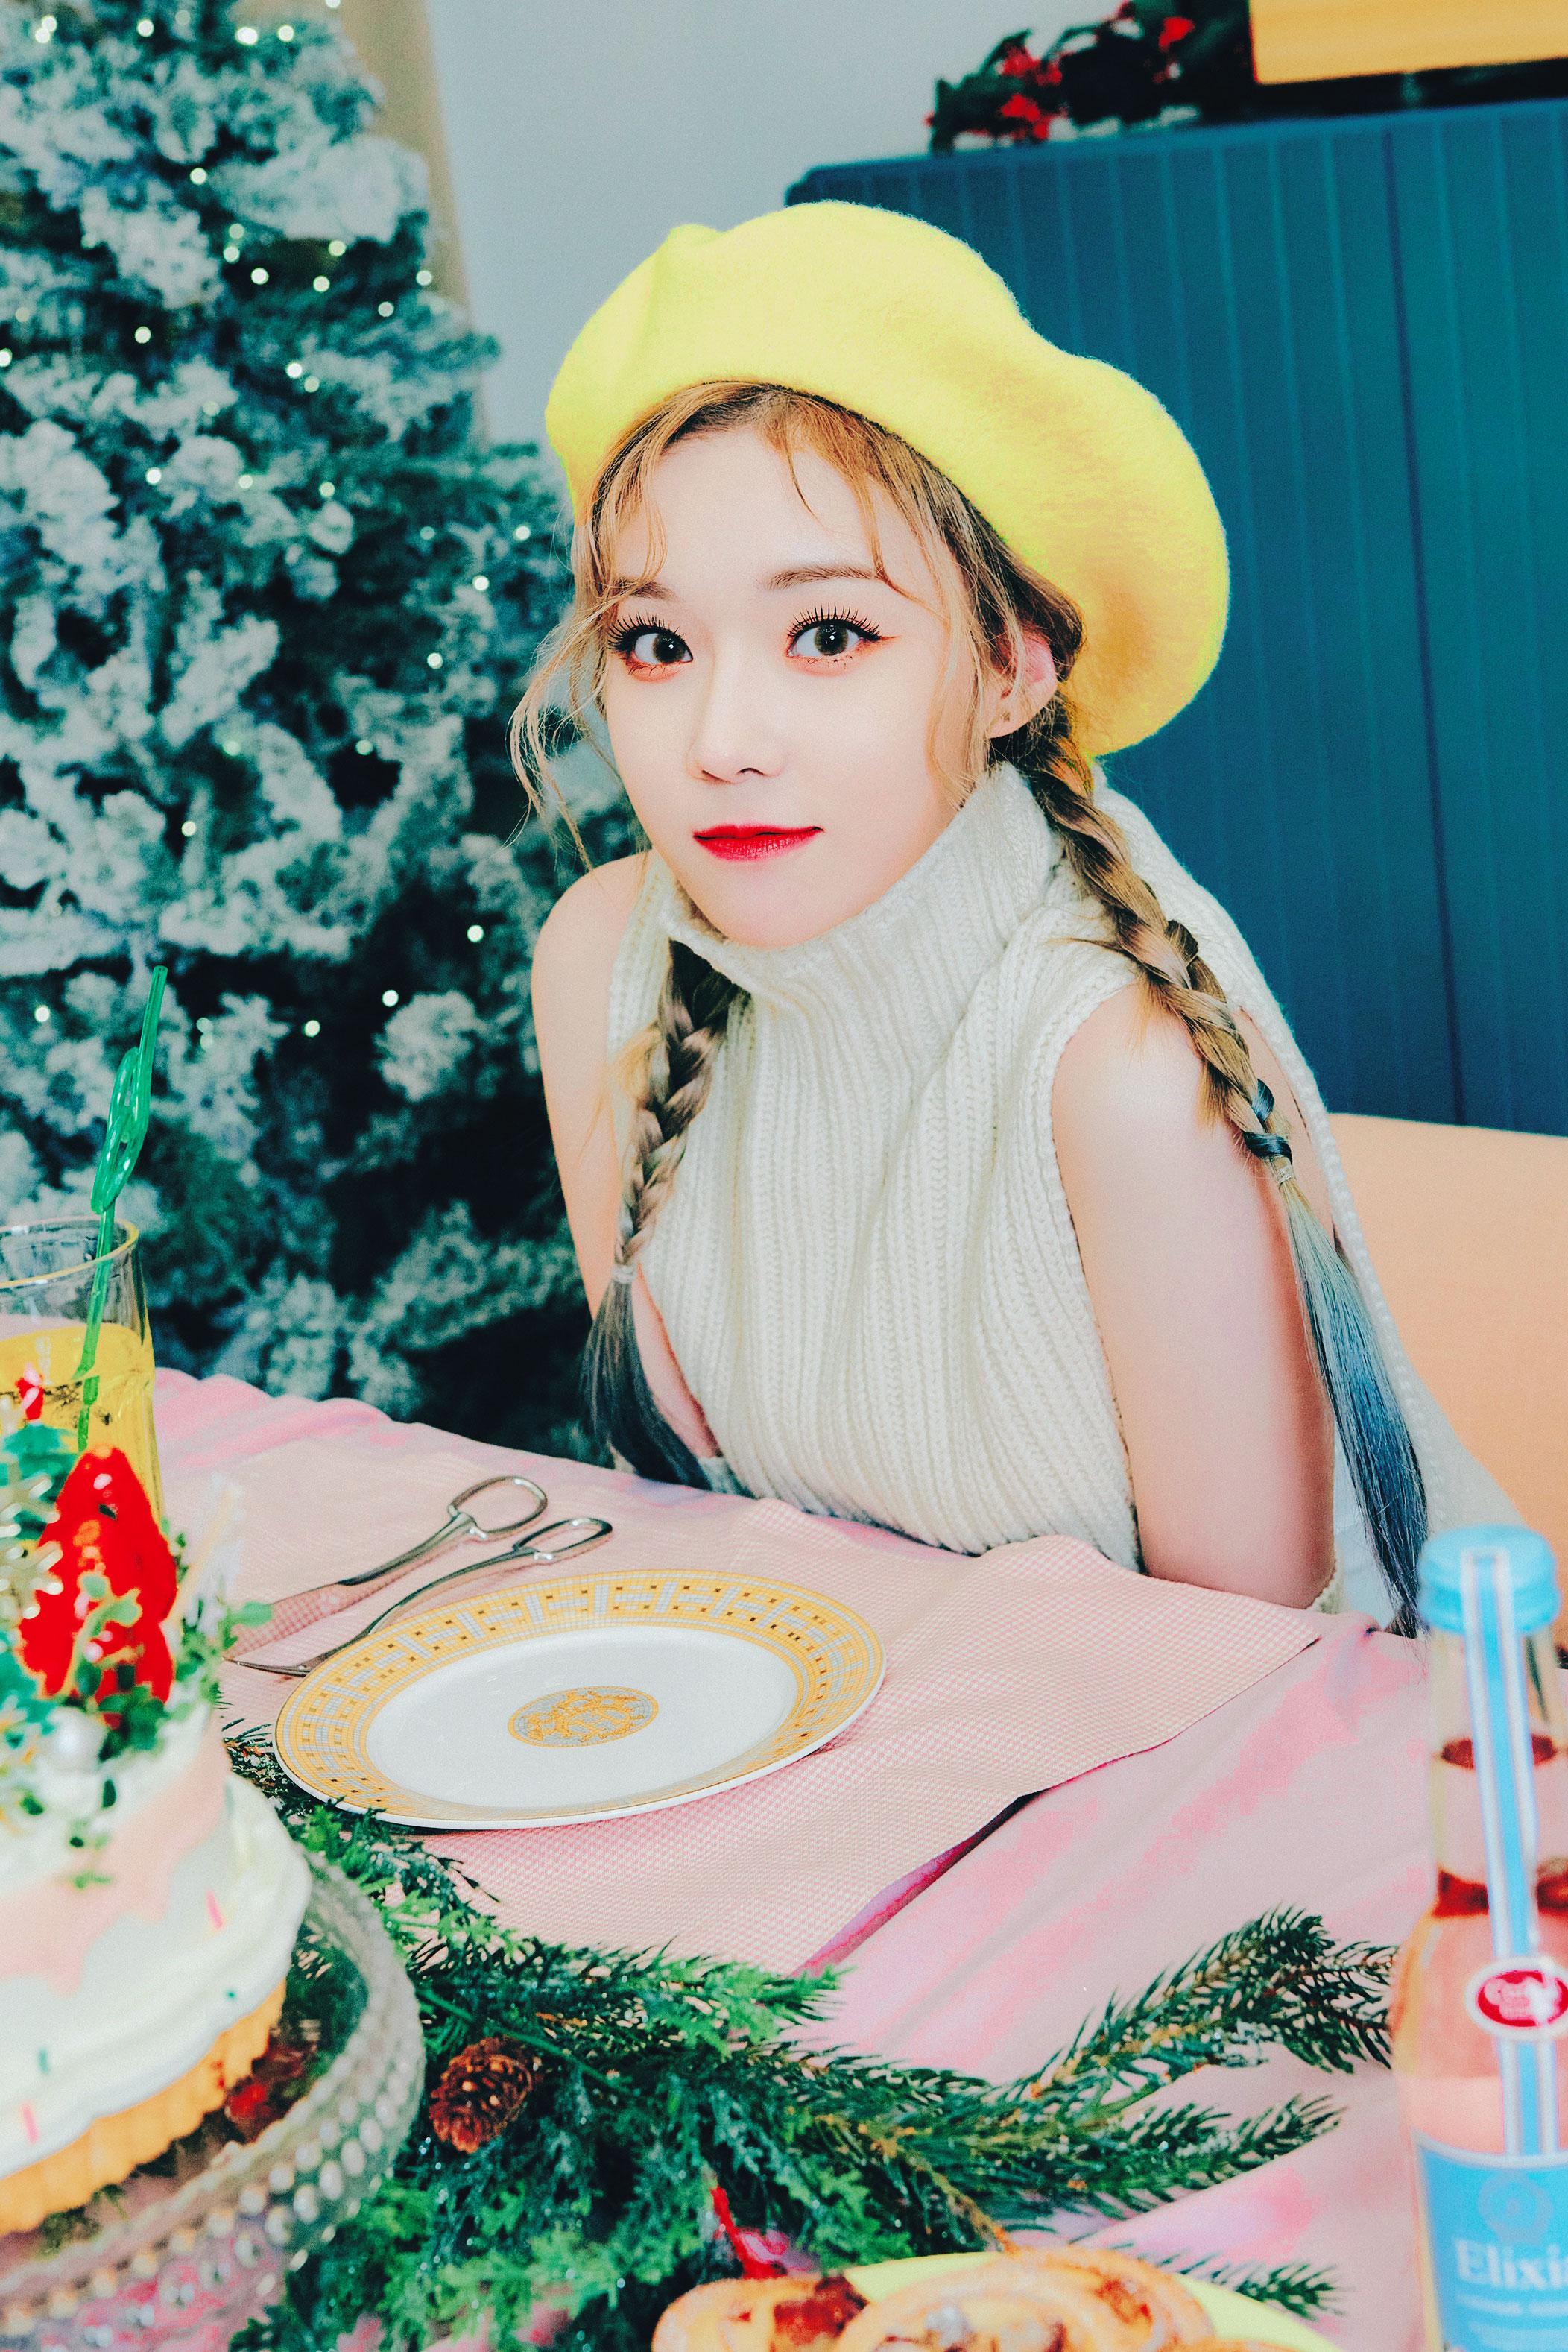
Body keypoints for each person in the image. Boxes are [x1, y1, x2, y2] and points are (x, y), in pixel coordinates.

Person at [519, 203, 1513, 1627]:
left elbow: (1240, 1675)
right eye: (657, 643)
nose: (721, 741)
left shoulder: (1117, 1067)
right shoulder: (603, 965)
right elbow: (697, 1527)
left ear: (1011, 669)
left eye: (828, 635)